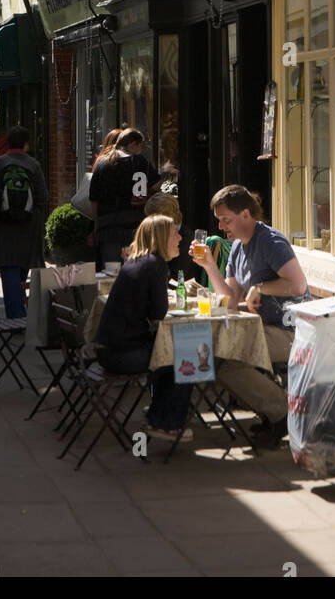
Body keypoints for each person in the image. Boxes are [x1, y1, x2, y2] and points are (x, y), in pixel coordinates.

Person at [194, 184, 311, 448]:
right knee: (216, 356)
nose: (222, 227)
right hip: (263, 328)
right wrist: (210, 266)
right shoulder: (236, 248)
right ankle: (276, 412)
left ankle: (282, 412)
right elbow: (232, 301)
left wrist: (260, 287)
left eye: (226, 220)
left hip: (293, 331)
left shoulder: (271, 241)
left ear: (245, 214)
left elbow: (298, 285)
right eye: (219, 221)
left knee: (228, 358)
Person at [94, 214, 192, 439]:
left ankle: (160, 413)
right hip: (122, 354)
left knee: (171, 353)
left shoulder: (138, 261)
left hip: (108, 349)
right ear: (160, 238)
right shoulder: (155, 265)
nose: (179, 238)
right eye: (174, 233)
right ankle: (167, 423)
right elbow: (159, 314)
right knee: (188, 356)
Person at [0, 126, 47, 320]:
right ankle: (19, 310)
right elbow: (42, 197)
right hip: (29, 225)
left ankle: (16, 314)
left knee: (8, 267)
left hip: (4, 224)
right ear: (26, 144)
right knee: (23, 266)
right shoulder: (34, 165)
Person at [89, 128, 160, 264]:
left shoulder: (102, 165)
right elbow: (157, 185)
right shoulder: (140, 162)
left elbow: (94, 200)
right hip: (135, 225)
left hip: (108, 227)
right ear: (133, 145)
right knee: (135, 269)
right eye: (140, 146)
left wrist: (96, 225)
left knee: (110, 273)